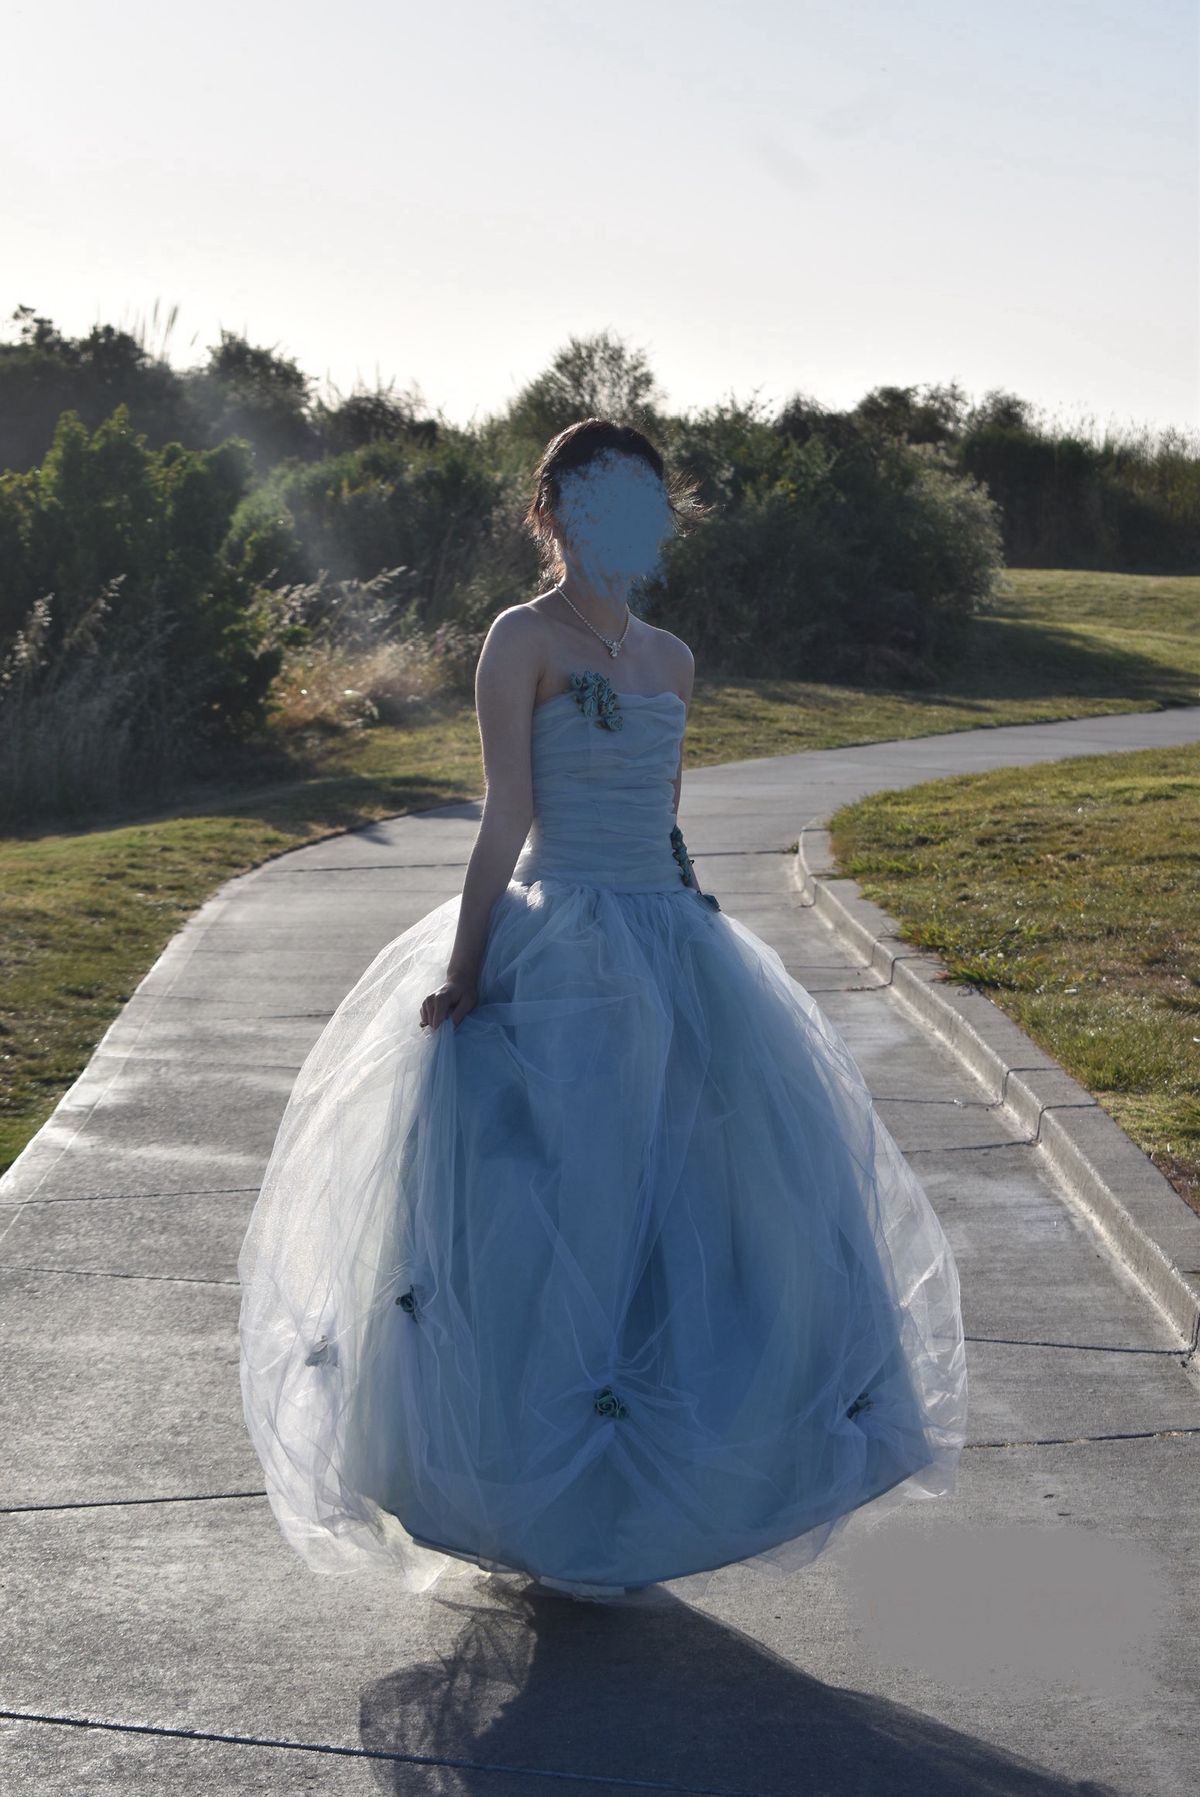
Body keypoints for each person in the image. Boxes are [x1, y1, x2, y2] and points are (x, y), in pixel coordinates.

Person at [237, 417, 968, 1605]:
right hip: (558, 947)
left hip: (674, 945)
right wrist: (469, 965)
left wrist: (699, 950)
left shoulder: (672, 658)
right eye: (595, 496)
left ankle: (643, 1500)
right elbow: (507, 816)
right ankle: (529, 1500)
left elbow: (668, 824)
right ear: (554, 513)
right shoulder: (520, 639)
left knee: (691, 1232)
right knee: (548, 1226)